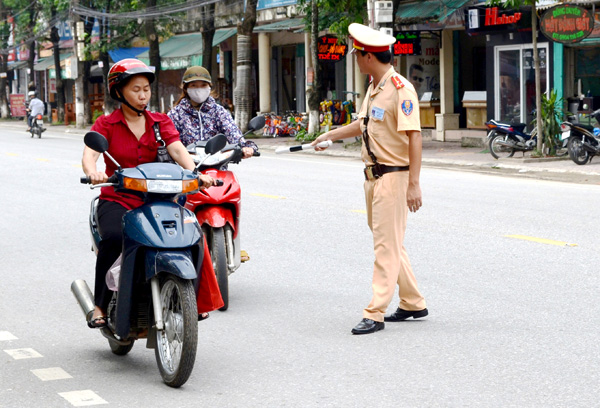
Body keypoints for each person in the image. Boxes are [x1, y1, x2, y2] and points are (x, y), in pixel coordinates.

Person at [82, 59, 217, 328]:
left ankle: (195, 300)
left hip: (158, 197)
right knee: (113, 238)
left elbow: (178, 149)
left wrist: (196, 173)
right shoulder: (107, 123)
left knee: (193, 234)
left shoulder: (159, 121)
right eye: (136, 89)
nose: (143, 95)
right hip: (119, 197)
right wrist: (93, 171)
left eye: (146, 89)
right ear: (119, 92)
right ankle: (100, 304)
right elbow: (90, 154)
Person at [311, 23, 427, 335]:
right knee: (390, 243)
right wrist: (329, 135)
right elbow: (362, 124)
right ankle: (413, 301)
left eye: (357, 55)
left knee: (385, 247)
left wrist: (414, 183)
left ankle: (374, 312)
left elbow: (414, 137)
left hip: (393, 177)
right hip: (374, 179)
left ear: (369, 57)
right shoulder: (375, 88)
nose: (356, 60)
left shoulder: (401, 89)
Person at [167, 66, 257, 157]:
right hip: (186, 167)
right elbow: (169, 141)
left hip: (217, 164)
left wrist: (245, 147)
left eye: (203, 85)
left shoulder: (219, 111)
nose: (199, 89)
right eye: (194, 85)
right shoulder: (175, 114)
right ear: (186, 89)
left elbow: (232, 132)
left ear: (209, 87)